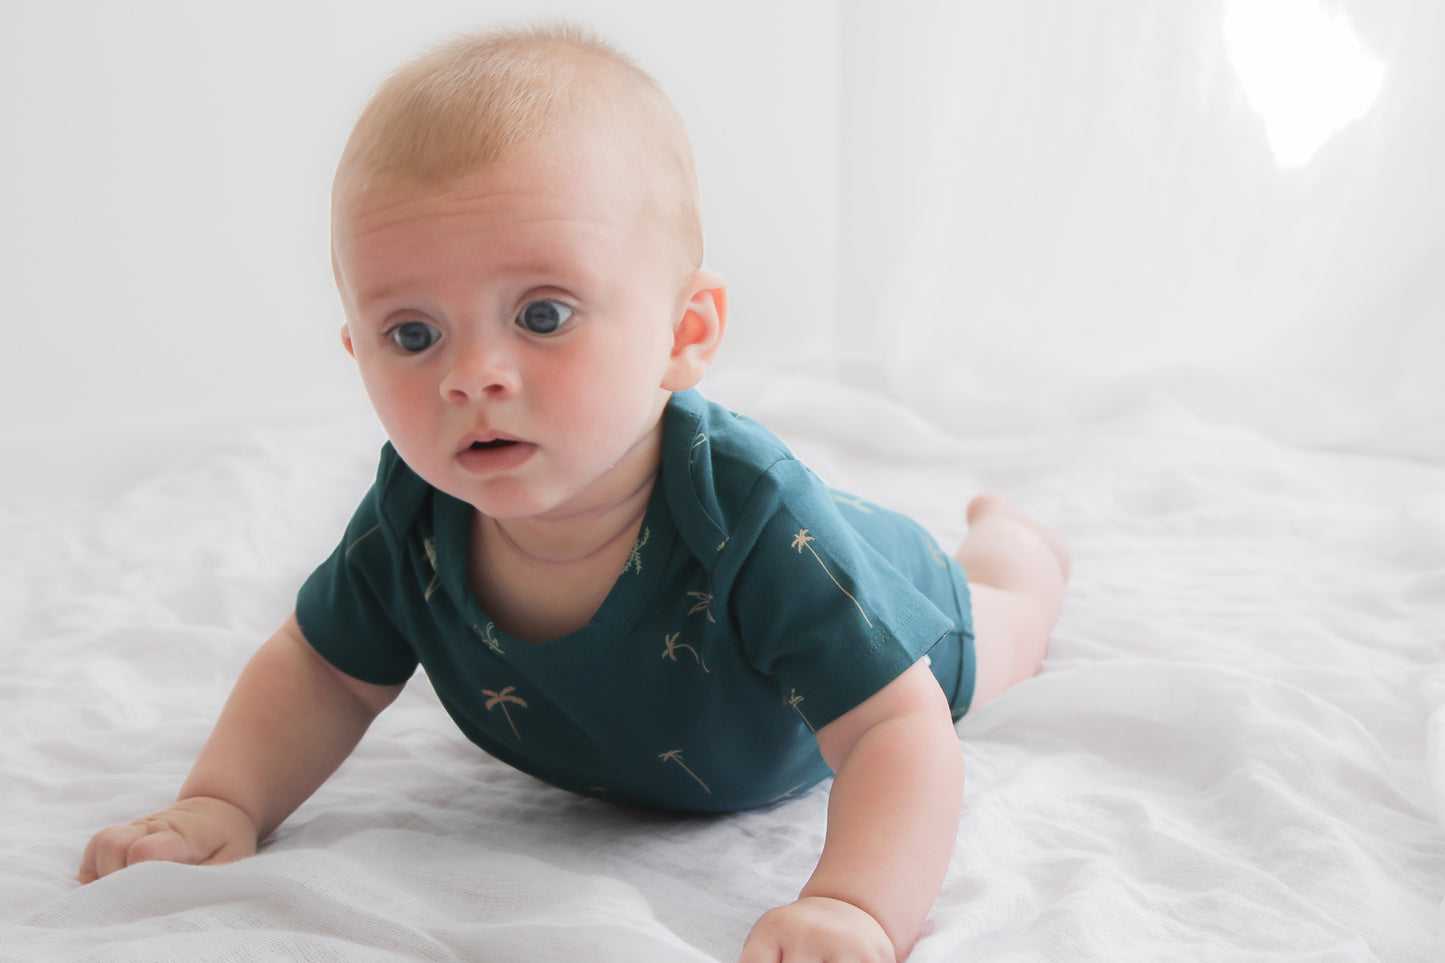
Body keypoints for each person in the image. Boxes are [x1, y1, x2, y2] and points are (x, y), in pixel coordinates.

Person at [78, 24, 1069, 962]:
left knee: (997, 629)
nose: (471, 376)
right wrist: (222, 801)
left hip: (882, 597)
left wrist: (852, 904)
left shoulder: (750, 514)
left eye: (542, 314)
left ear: (683, 334)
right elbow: (325, 672)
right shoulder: (411, 516)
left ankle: (1016, 547)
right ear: (357, 351)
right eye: (412, 335)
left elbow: (897, 730)